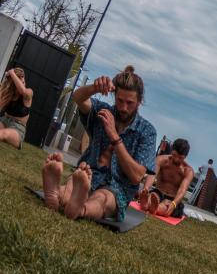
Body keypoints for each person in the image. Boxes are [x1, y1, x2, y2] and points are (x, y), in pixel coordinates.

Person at [42, 67, 157, 222]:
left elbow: (136, 177)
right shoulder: (102, 111)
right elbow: (78, 98)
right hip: (89, 172)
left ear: (139, 101)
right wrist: (94, 88)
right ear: (114, 96)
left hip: (117, 188)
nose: (123, 107)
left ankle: (80, 209)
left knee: (102, 199)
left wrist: (114, 136)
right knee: (72, 185)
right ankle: (56, 195)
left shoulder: (147, 131)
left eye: (129, 103)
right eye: (120, 100)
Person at [138, 138, 194, 218]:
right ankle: (148, 204)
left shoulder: (188, 171)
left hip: (172, 198)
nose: (176, 159)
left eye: (180, 158)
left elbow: (182, 190)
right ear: (171, 150)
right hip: (158, 192)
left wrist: (174, 204)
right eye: (174, 155)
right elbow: (152, 175)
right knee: (153, 195)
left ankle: (153, 207)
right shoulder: (161, 160)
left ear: (185, 157)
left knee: (166, 205)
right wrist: (146, 188)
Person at [0, 67, 32, 149]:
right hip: (4, 121)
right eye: (19, 79)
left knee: (4, 134)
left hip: (18, 127)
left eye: (23, 78)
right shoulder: (9, 94)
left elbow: (23, 91)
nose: (23, 81)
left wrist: (12, 73)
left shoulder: (28, 92)